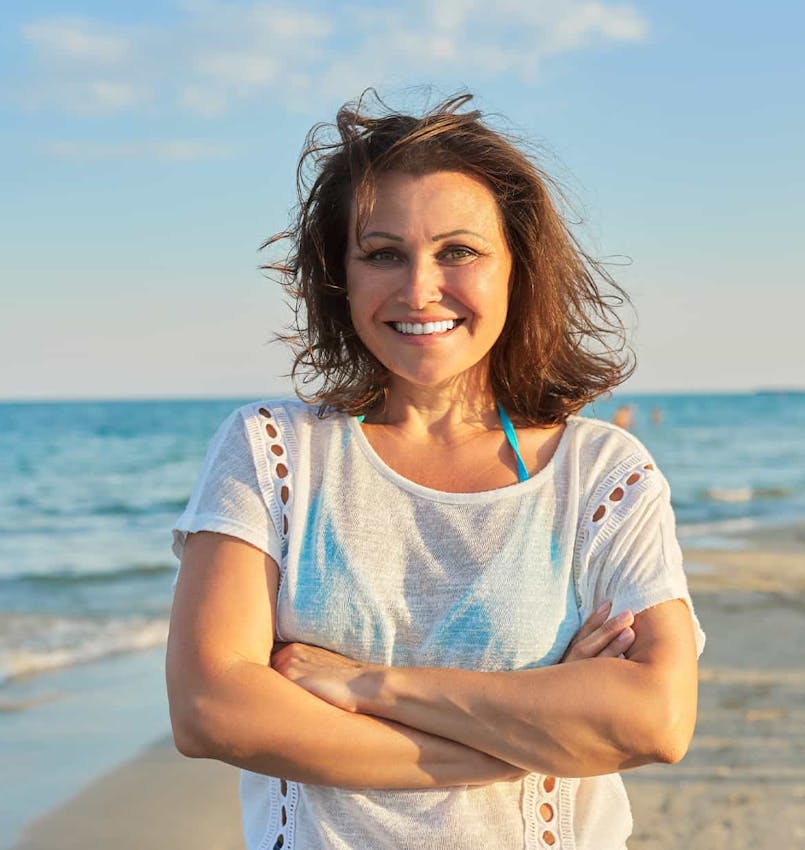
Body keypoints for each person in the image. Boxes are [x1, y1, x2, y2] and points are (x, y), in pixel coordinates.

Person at [166, 92, 704, 850]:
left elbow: (656, 721)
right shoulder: (274, 450)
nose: (419, 289)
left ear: (517, 268)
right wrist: (529, 732)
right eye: (383, 253)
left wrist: (365, 686)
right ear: (341, 276)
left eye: (458, 251)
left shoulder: (599, 472)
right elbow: (210, 710)